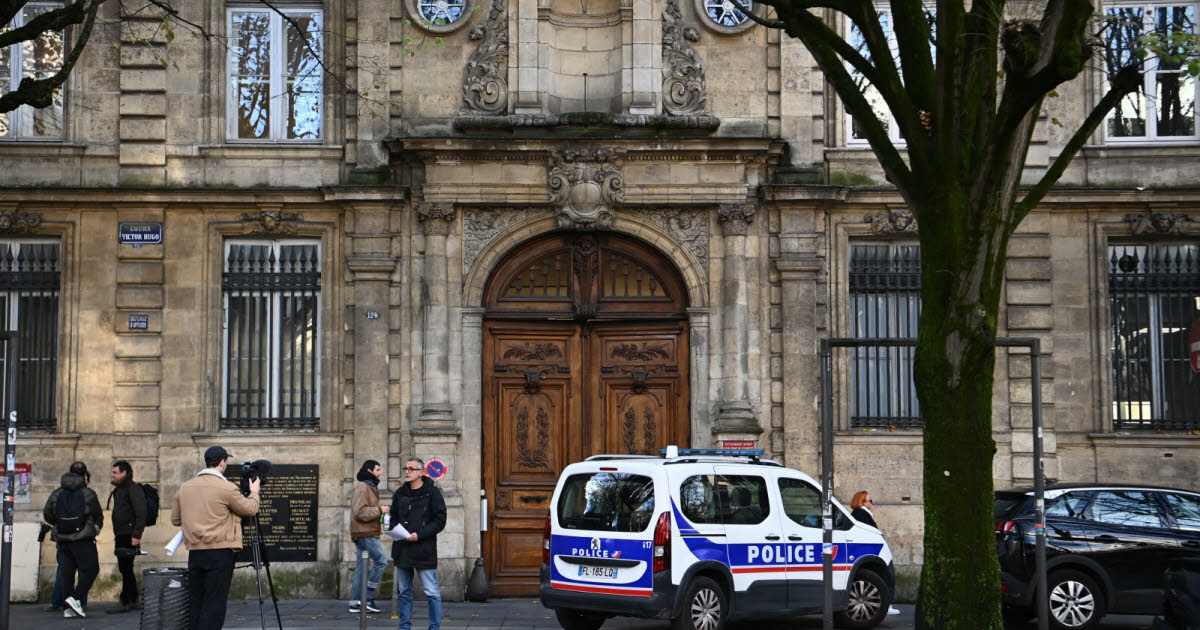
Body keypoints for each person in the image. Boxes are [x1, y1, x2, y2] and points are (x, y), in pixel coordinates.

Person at [171, 445, 260, 630]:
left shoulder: (185, 487)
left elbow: (176, 519)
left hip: (195, 552)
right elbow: (250, 509)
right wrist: (255, 492)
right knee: (214, 603)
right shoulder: (226, 488)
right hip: (220, 553)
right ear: (222, 462)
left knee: (196, 601)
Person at [390, 457, 447, 630]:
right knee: (404, 592)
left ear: (421, 472)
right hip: (403, 549)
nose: (407, 472)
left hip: (424, 549)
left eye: (411, 469)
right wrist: (390, 528)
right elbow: (393, 517)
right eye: (405, 469)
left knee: (432, 592)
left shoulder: (432, 493)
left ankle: (434, 627)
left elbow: (440, 520)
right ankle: (404, 626)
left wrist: (419, 534)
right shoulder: (400, 493)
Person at [43, 461, 103, 619]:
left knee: (67, 574)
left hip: (63, 539)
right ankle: (74, 600)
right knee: (92, 569)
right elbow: (97, 514)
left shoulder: (56, 494)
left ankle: (69, 609)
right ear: (85, 475)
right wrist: (95, 528)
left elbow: (47, 514)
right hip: (83, 538)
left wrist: (61, 524)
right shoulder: (88, 494)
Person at [849, 490, 900, 616]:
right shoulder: (862, 514)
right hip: (873, 550)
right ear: (862, 502)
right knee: (886, 577)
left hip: (869, 550)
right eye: (869, 501)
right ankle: (886, 605)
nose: (872, 503)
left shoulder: (858, 514)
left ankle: (885, 605)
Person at [349, 459, 390, 614]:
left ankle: (355, 603)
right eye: (378, 470)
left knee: (362, 568)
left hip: (364, 532)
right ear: (369, 471)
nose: (380, 473)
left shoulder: (369, 487)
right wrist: (380, 510)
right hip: (365, 533)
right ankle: (367, 597)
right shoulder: (362, 487)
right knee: (381, 562)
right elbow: (360, 512)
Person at [107, 460, 147, 613]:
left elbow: (141, 512)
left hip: (129, 535)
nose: (113, 475)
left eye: (115, 472)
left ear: (124, 473)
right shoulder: (119, 489)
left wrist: (136, 535)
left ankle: (125, 601)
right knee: (126, 568)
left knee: (125, 567)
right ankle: (133, 599)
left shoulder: (132, 488)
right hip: (121, 534)